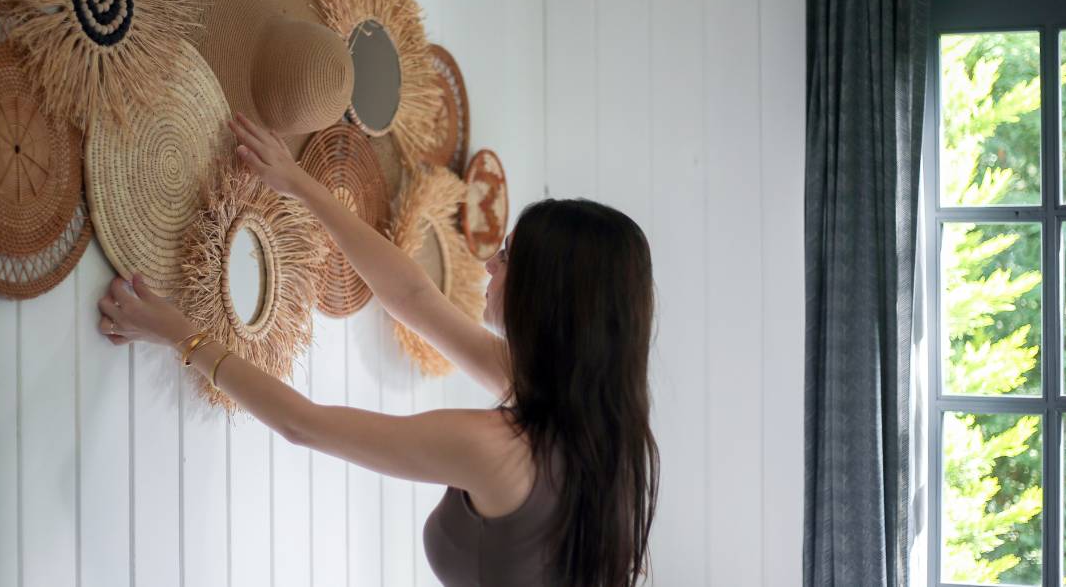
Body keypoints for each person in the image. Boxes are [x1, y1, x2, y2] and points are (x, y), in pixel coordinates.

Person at [98, 114, 659, 586]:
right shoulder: (596, 436)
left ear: (547, 295)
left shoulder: (497, 451)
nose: (490, 265)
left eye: (508, 256)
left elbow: (304, 424)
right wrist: (300, 184)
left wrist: (180, 334)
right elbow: (413, 296)